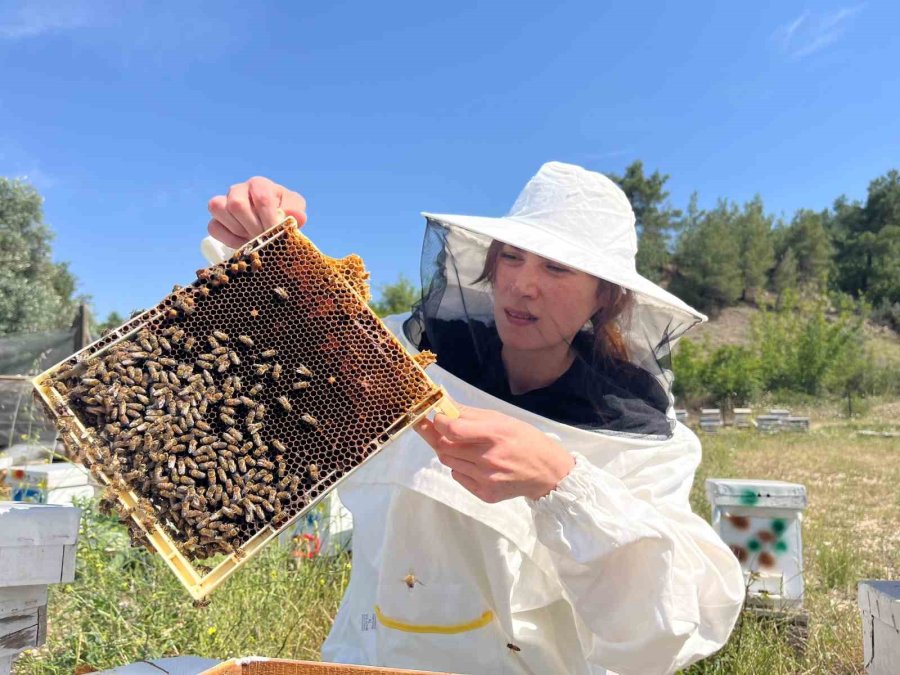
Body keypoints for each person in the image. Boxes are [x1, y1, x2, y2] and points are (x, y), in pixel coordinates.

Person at [207, 162, 745, 675]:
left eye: (556, 267)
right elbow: (265, 396)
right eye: (512, 257)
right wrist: (257, 255)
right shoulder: (403, 357)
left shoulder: (645, 444)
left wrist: (562, 481)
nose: (523, 284)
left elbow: (673, 626)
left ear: (603, 297)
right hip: (369, 656)